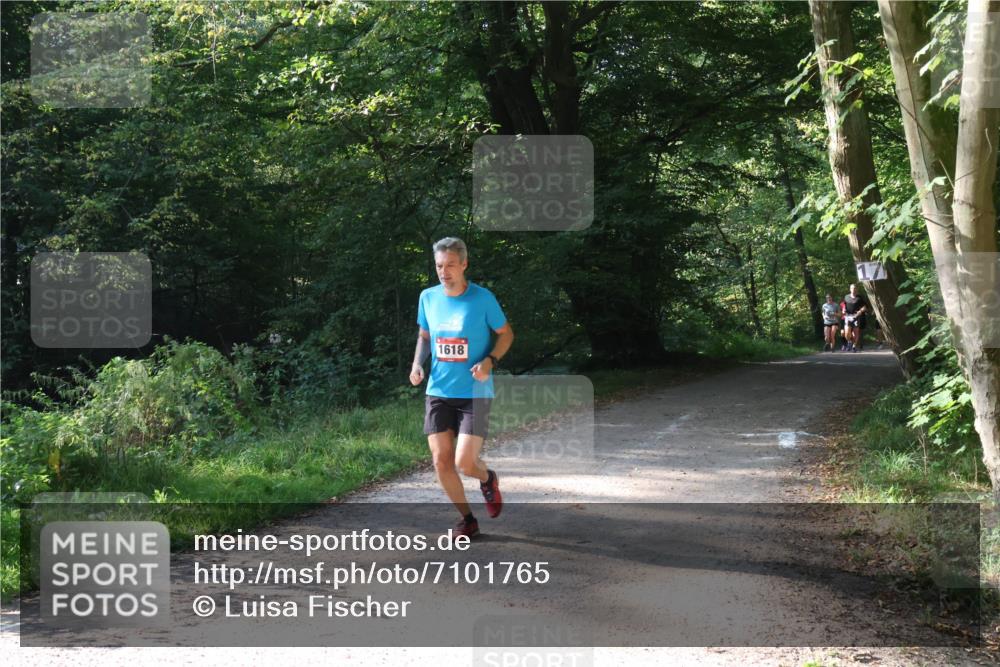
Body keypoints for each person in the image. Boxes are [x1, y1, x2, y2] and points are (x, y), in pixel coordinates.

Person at [409, 237, 514, 538]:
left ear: (464, 264)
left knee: (465, 463)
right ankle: (468, 519)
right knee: (441, 462)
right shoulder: (428, 297)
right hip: (439, 390)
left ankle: (487, 478)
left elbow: (506, 334)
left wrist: (490, 360)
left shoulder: (482, 299)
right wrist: (418, 364)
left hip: (475, 391)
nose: (444, 272)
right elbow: (425, 336)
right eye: (439, 266)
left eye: (451, 265)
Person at [842, 283, 869, 352]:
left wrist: (860, 311)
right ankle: (850, 342)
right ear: (850, 289)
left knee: (856, 333)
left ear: (856, 289)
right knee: (846, 333)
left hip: (856, 316)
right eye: (852, 288)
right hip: (848, 316)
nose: (853, 290)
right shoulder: (846, 297)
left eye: (855, 288)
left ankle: (854, 346)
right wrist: (843, 309)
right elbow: (843, 305)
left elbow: (865, 307)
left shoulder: (859, 298)